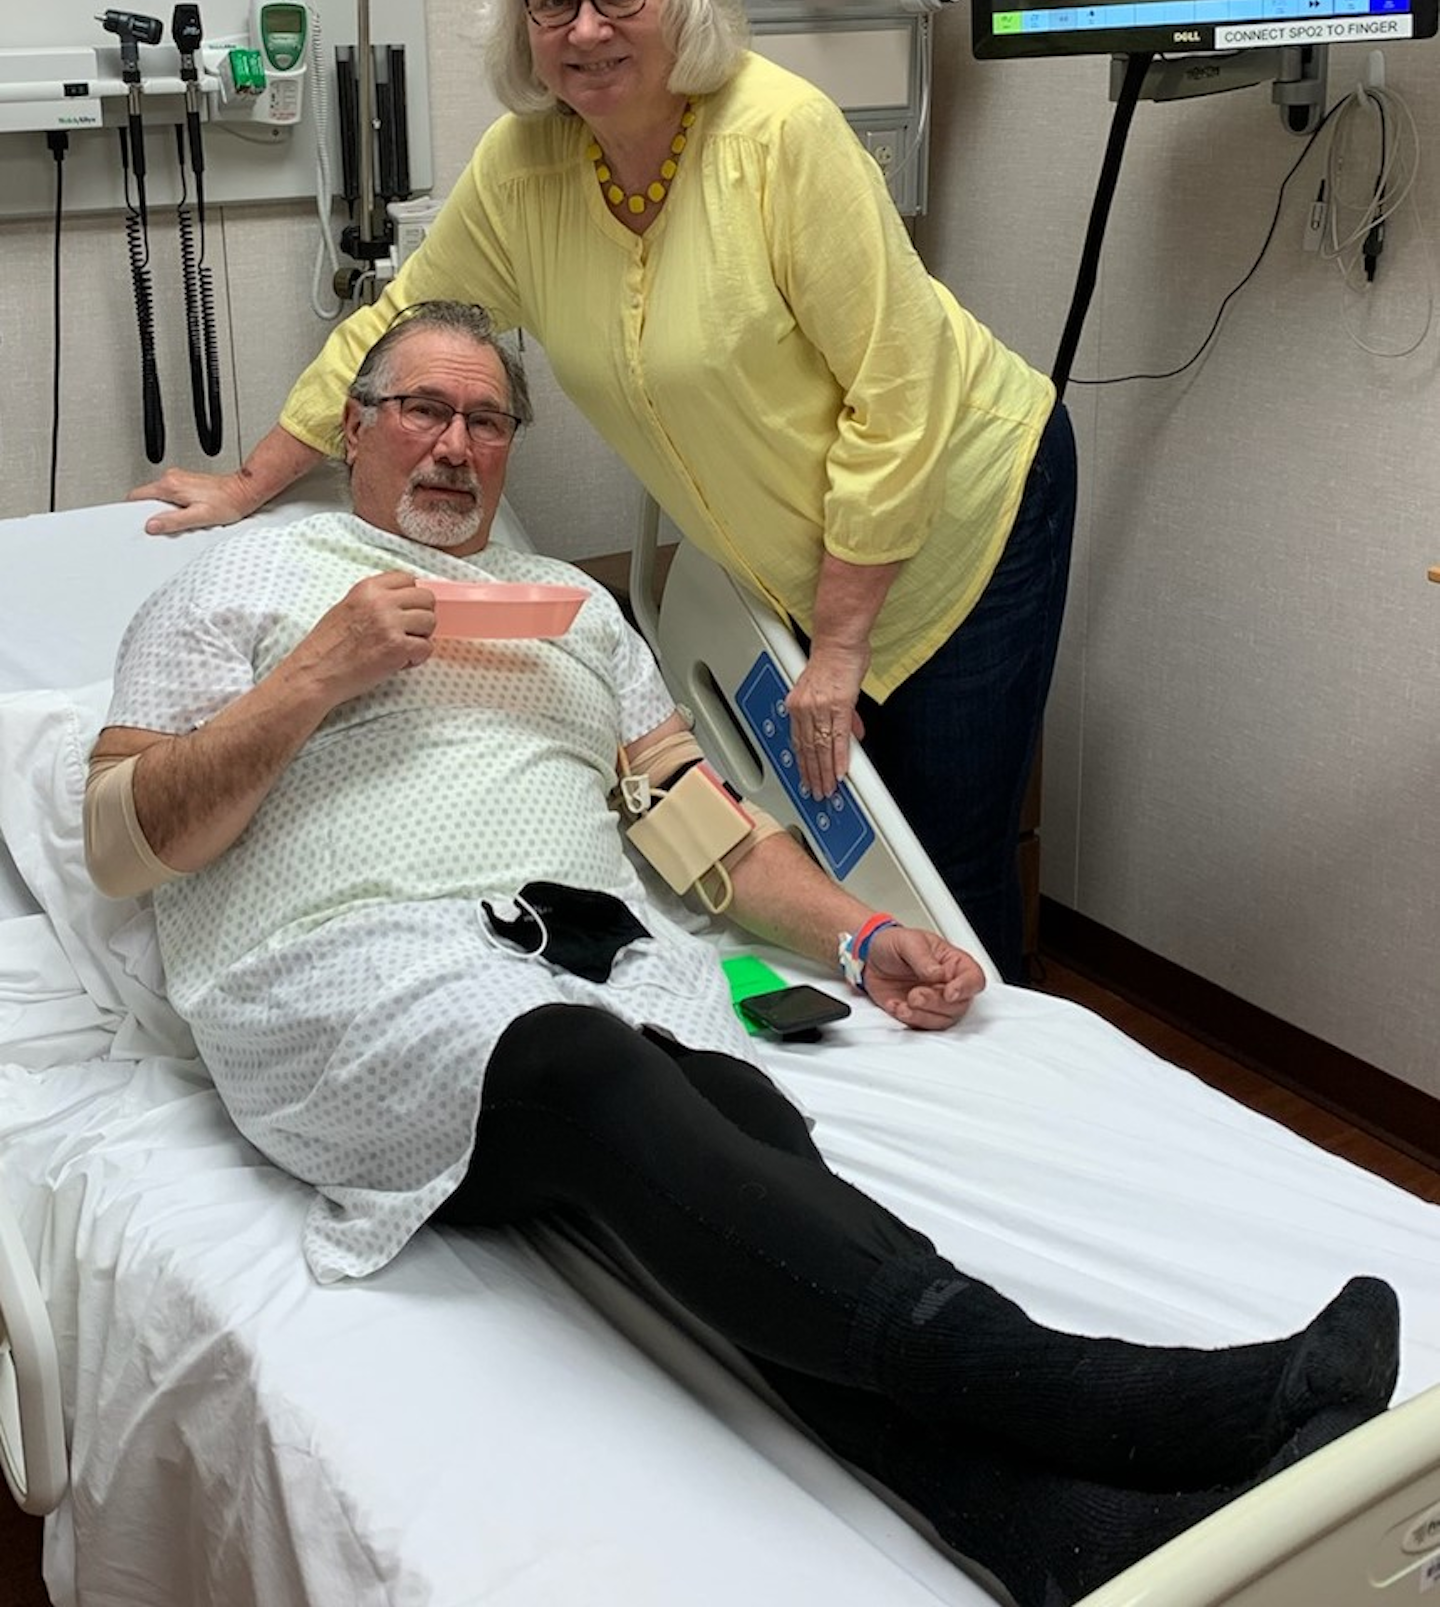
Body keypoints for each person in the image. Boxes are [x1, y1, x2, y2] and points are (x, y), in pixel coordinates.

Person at [91, 301, 1398, 1607]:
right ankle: (1115, 1396)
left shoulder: (580, 619)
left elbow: (702, 830)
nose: (454, 443)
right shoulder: (240, 582)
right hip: (342, 968)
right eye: (423, 409)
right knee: (583, 1070)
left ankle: (1062, 1533)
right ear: (354, 428)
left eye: (488, 420)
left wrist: (871, 932)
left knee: (739, 1116)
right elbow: (123, 838)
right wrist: (317, 672)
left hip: (581, 966)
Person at [131, 0, 1073, 986]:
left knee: (943, 847)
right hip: (802, 555)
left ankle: (1000, 1075)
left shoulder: (780, 138)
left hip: (964, 506)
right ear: (523, 21)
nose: (587, 29)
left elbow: (899, 389)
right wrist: (249, 485)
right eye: (553, 0)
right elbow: (389, 327)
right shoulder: (524, 171)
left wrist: (838, 651)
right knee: (866, 857)